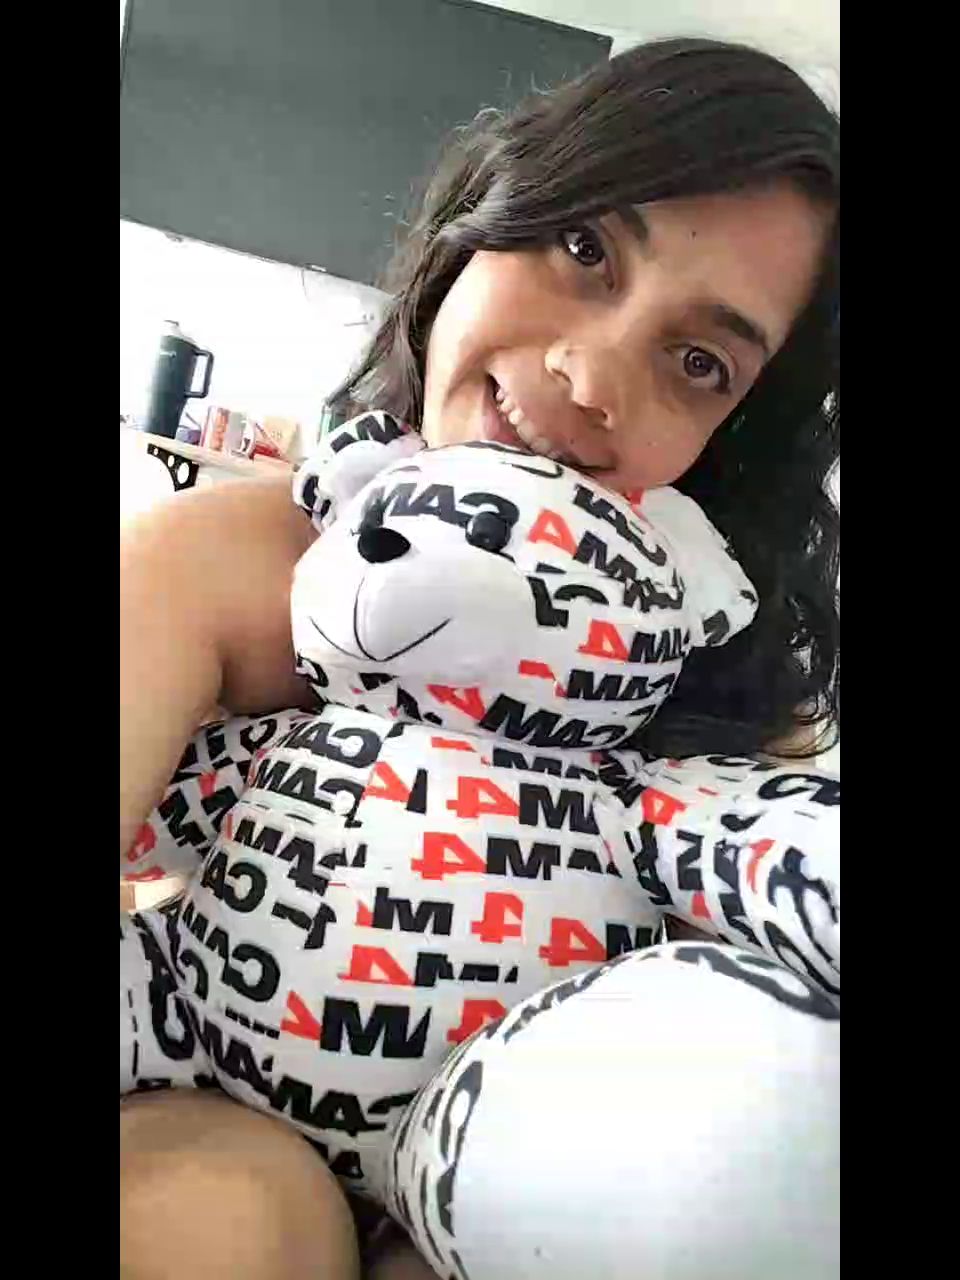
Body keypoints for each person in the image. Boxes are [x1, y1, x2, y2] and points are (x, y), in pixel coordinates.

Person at [120, 37, 839, 1280]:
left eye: (699, 362)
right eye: (586, 248)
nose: (588, 374)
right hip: (212, 1097)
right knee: (240, 1206)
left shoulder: (723, 706)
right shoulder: (221, 557)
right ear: (490, 211)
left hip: (508, 1181)